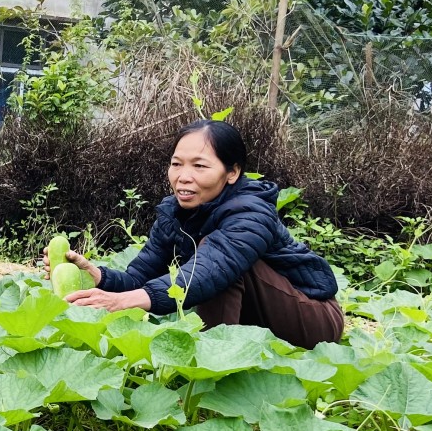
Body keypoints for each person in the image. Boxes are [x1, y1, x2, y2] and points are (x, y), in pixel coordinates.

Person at [55, 119, 344, 349]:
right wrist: (100, 277)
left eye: (200, 166)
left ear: (232, 173)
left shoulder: (252, 212)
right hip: (259, 318)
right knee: (205, 264)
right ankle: (217, 353)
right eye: (176, 164)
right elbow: (138, 277)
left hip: (314, 319)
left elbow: (208, 271)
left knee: (219, 265)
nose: (183, 176)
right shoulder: (175, 214)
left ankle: (212, 363)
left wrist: (123, 302)